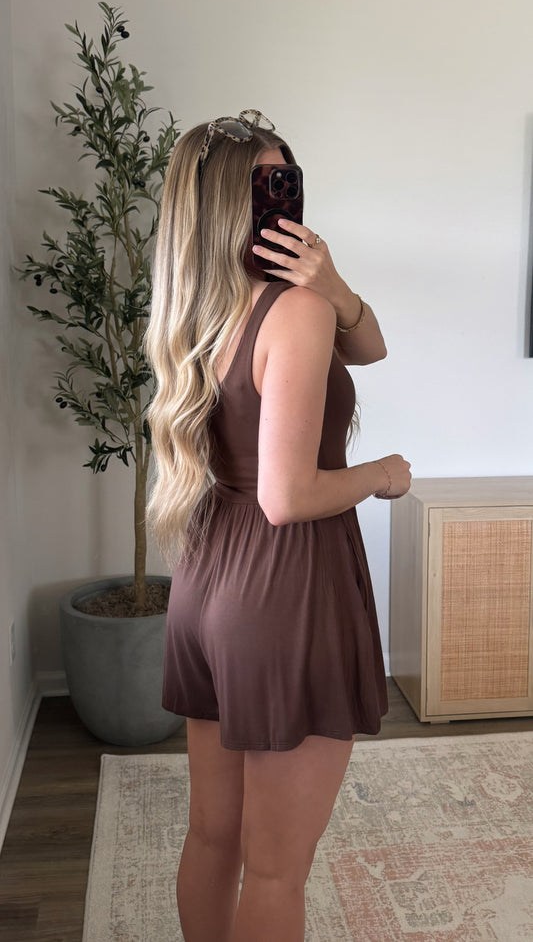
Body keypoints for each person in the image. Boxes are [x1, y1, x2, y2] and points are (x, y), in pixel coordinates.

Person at [143, 109, 411, 942]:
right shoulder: (290, 314)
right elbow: (287, 497)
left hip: (209, 580)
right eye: (268, 185)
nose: (283, 199)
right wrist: (381, 474)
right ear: (234, 205)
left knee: (213, 837)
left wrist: (334, 286)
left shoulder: (196, 310)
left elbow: (368, 347)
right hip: (284, 590)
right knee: (275, 870)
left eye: (286, 181)